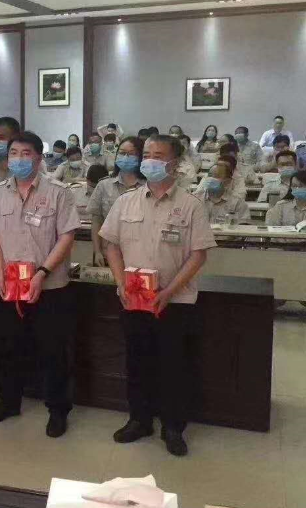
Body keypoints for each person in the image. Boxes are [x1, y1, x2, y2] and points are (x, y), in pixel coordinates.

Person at [100, 134, 217, 457]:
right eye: (147, 154)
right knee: (137, 362)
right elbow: (110, 244)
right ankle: (139, 420)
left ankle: (173, 427)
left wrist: (168, 291)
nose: (150, 160)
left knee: (174, 366)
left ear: (174, 163)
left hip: (175, 302)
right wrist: (120, 282)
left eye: (158, 155)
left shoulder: (190, 205)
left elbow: (198, 255)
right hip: (134, 300)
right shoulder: (126, 202)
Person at [0, 131, 79, 437]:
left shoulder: (59, 192)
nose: (19, 159)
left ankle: (58, 409)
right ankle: (9, 401)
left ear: (39, 158)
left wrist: (42, 272)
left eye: (26, 153)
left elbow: (67, 236)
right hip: (11, 285)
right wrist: (0, 271)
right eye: (14, 153)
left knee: (53, 350)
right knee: (9, 346)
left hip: (49, 286)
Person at [89, 137, 145, 266]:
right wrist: (97, 251)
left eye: (131, 154)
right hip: (108, 252)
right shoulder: (104, 185)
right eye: (122, 153)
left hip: (140, 253)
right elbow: (96, 221)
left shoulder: (148, 186)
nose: (125, 157)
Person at [194, 157, 251, 225]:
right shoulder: (195, 200)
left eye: (217, 176)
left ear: (228, 181)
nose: (211, 179)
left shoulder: (237, 203)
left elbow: (245, 228)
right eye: (210, 175)